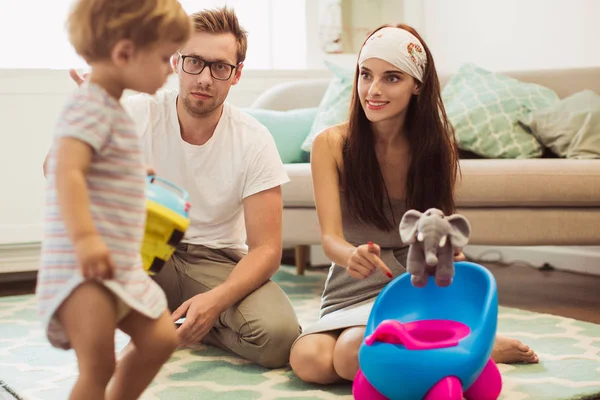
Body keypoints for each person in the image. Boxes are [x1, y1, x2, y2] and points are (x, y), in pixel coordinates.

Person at [289, 24, 539, 385]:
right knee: (309, 361)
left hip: (411, 284)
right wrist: (349, 256)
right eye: (365, 75)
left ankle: (467, 342)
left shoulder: (436, 148)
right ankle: (459, 349)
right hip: (351, 282)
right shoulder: (330, 144)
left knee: (349, 357)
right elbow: (329, 238)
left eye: (391, 78)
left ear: (417, 85)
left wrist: (455, 270)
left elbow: (438, 232)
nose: (373, 90)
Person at [56, 6, 300, 369]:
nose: (204, 78)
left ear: (236, 75)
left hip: (215, 260)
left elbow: (266, 249)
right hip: (146, 251)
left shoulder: (254, 140)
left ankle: (178, 324)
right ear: (175, 62)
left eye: (219, 67)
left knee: (279, 339)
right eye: (194, 62)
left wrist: (215, 301)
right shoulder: (139, 113)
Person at [36, 0, 192, 399]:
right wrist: (86, 239)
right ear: (124, 53)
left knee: (160, 338)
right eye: (163, 58)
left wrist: (134, 177)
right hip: (82, 267)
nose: (170, 68)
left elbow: (100, 167)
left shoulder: (112, 108)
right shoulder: (89, 106)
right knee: (99, 365)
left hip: (118, 264)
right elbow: (66, 170)